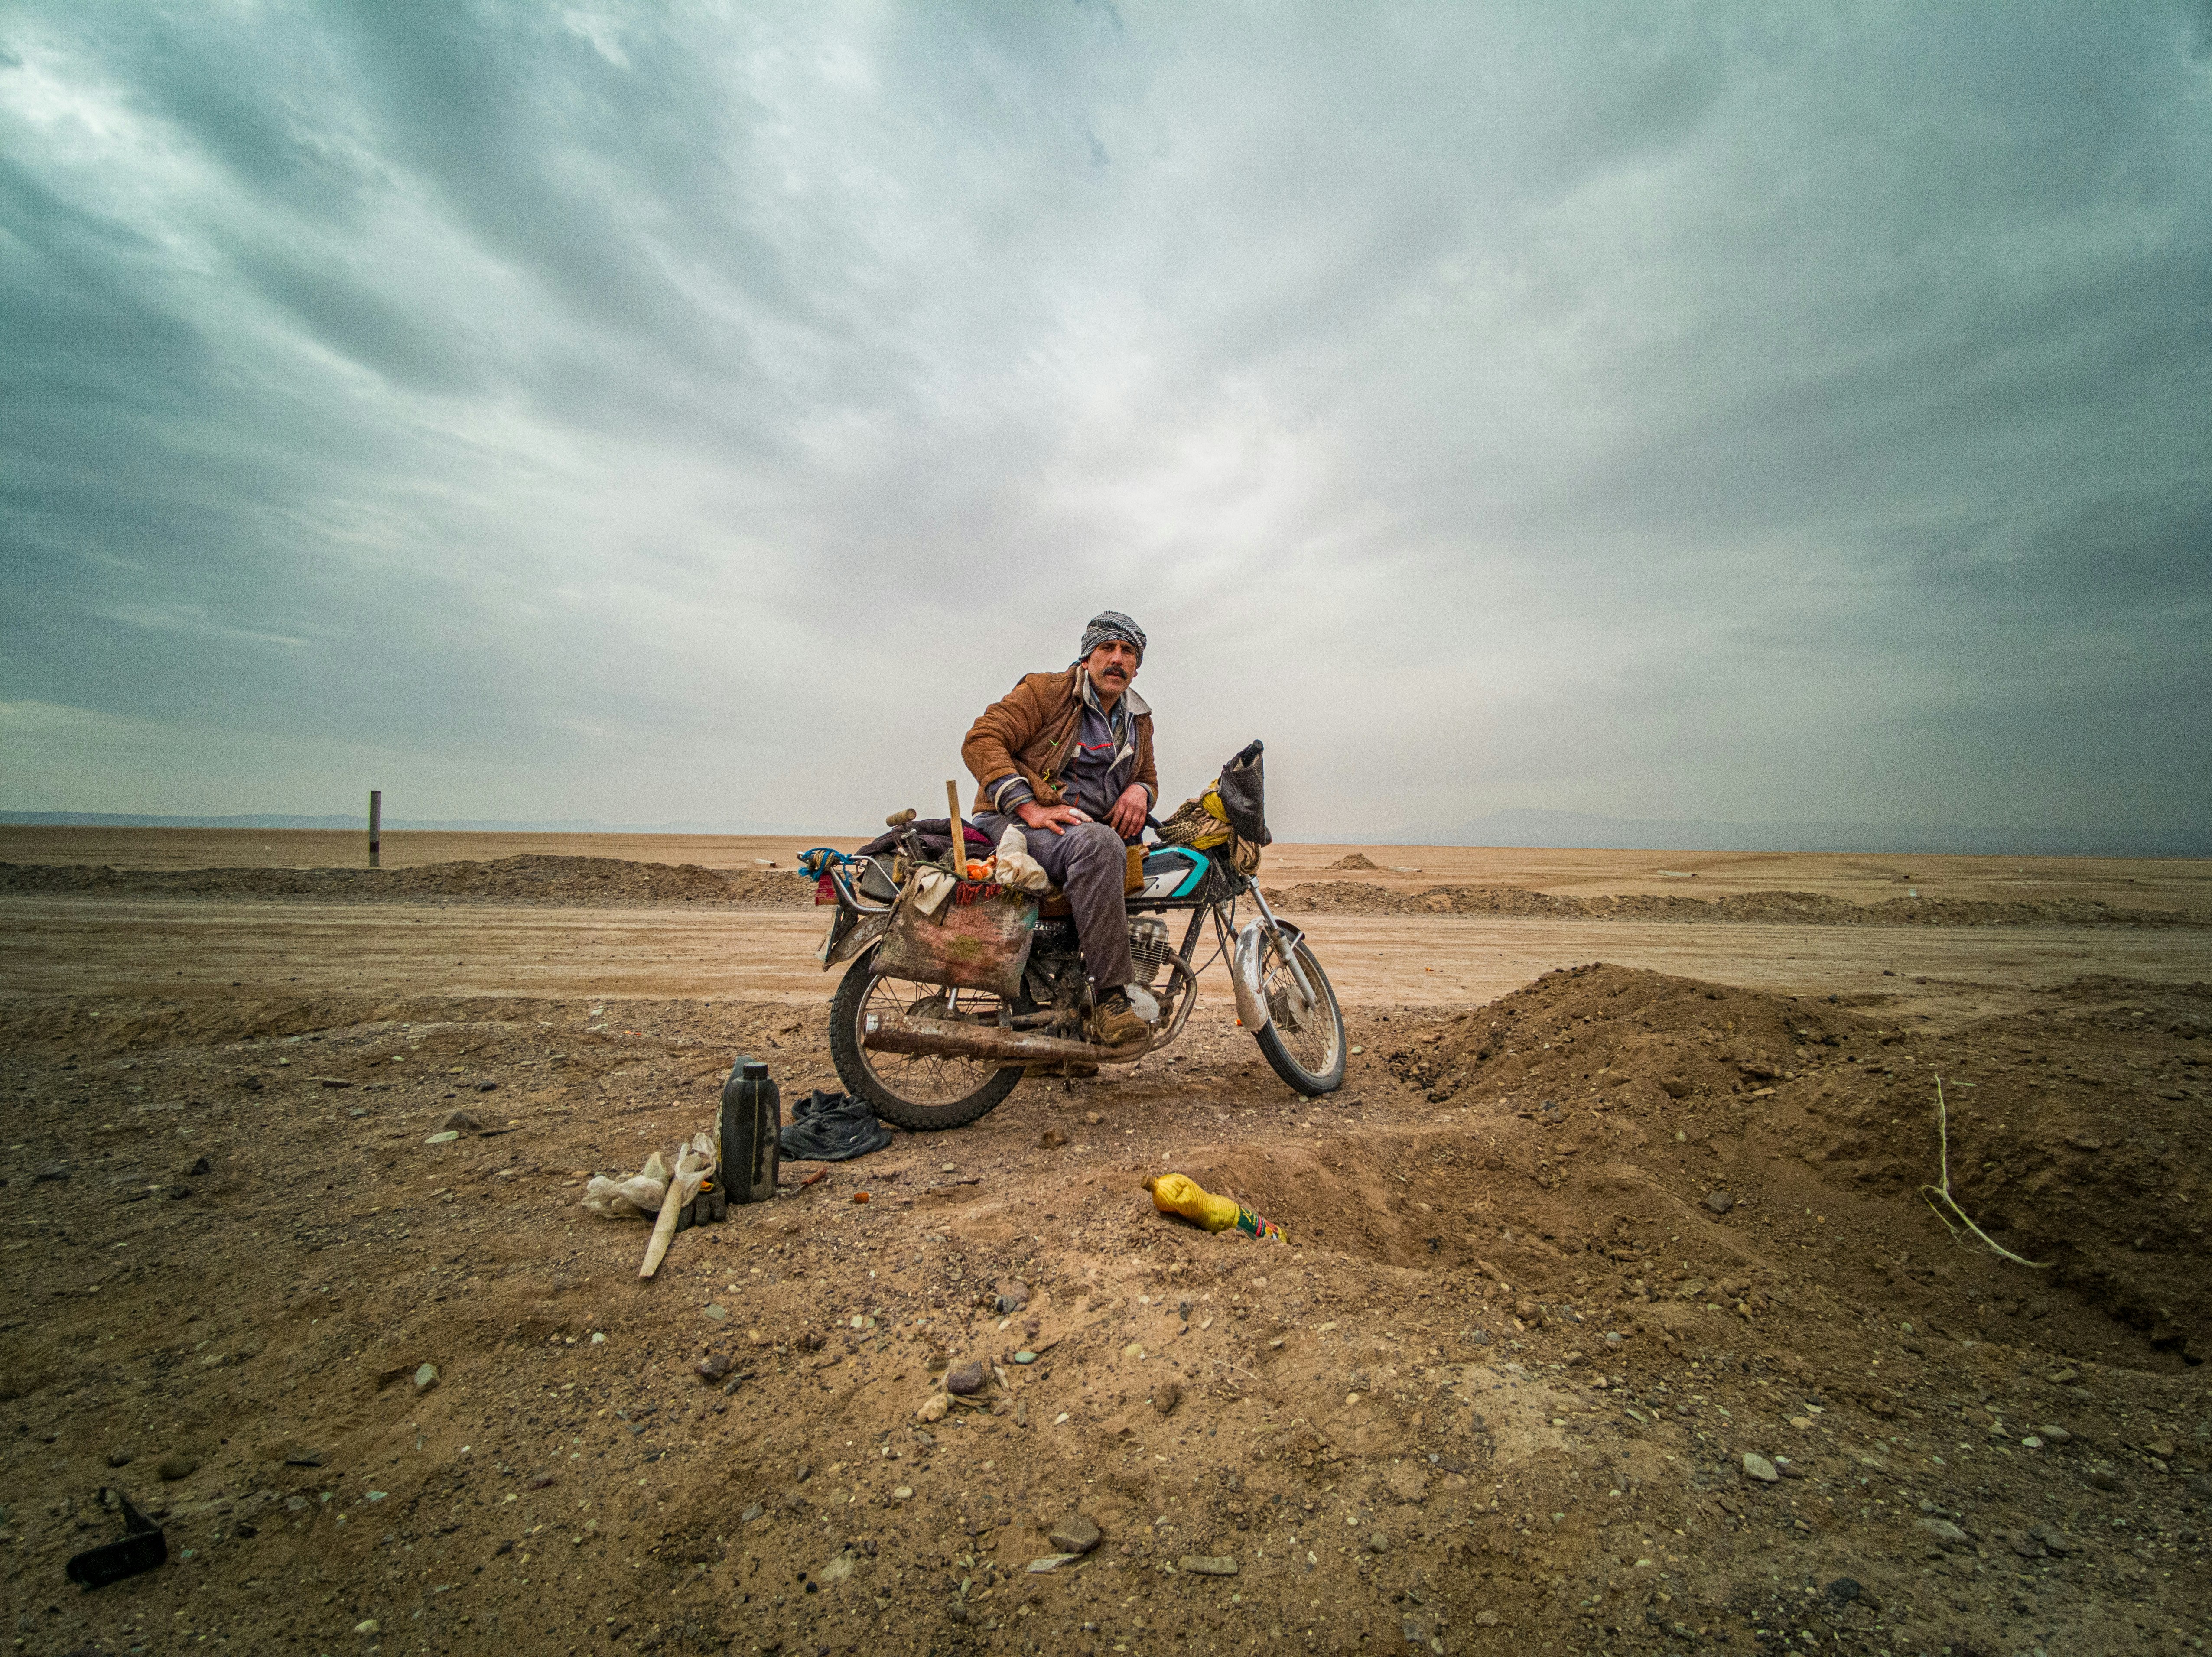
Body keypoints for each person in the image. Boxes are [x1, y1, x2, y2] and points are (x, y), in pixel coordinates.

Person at [963, 610, 1157, 1046]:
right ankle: (1110, 998)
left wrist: (1141, 791)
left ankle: (1061, 1032)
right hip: (1014, 824)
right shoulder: (1046, 691)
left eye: (1127, 651)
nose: (1117, 658)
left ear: (1137, 665)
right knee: (1099, 845)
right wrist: (1027, 806)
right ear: (1087, 657)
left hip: (1075, 835)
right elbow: (982, 739)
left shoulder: (1138, 719)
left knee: (1121, 856)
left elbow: (1147, 774)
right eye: (1107, 648)